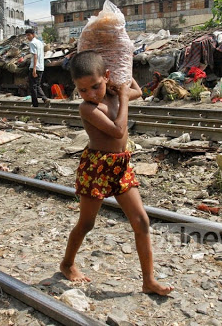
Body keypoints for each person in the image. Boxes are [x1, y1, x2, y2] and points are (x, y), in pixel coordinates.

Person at [60, 50, 174, 296]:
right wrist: (122, 96)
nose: (90, 94)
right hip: (97, 167)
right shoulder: (87, 109)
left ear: (106, 77)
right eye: (83, 90)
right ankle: (67, 264)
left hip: (120, 165)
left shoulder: (113, 94)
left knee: (141, 221)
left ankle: (149, 281)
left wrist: (125, 76)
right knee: (87, 223)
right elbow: (117, 129)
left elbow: (138, 91)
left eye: (95, 86)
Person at [25, 28, 50, 107]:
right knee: (37, 85)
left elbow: (35, 56)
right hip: (41, 67)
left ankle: (35, 104)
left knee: (33, 86)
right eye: (27, 35)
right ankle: (44, 99)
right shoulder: (40, 42)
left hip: (34, 67)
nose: (27, 37)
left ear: (33, 34)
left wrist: (34, 69)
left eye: (29, 35)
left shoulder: (32, 43)